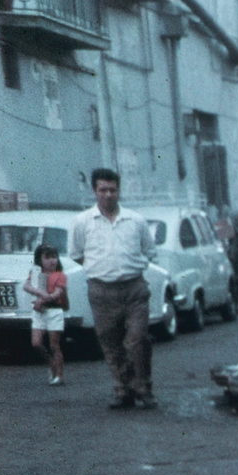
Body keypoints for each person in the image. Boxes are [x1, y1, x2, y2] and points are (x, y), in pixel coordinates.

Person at [69, 168, 158, 410]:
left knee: (137, 340)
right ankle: (123, 390)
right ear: (94, 191)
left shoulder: (136, 220)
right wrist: (102, 271)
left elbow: (150, 252)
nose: (108, 195)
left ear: (119, 191)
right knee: (111, 343)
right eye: (102, 190)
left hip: (134, 290)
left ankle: (143, 388)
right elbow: (76, 255)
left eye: (113, 190)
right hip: (101, 292)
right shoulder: (81, 222)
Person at [24, 243, 67, 385]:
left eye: (54, 257)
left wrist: (42, 301)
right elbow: (27, 286)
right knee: (36, 342)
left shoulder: (59, 275)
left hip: (54, 310)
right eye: (47, 257)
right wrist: (40, 294)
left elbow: (57, 293)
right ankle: (51, 363)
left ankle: (59, 374)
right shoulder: (36, 273)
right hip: (39, 311)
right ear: (40, 259)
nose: (51, 261)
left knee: (54, 344)